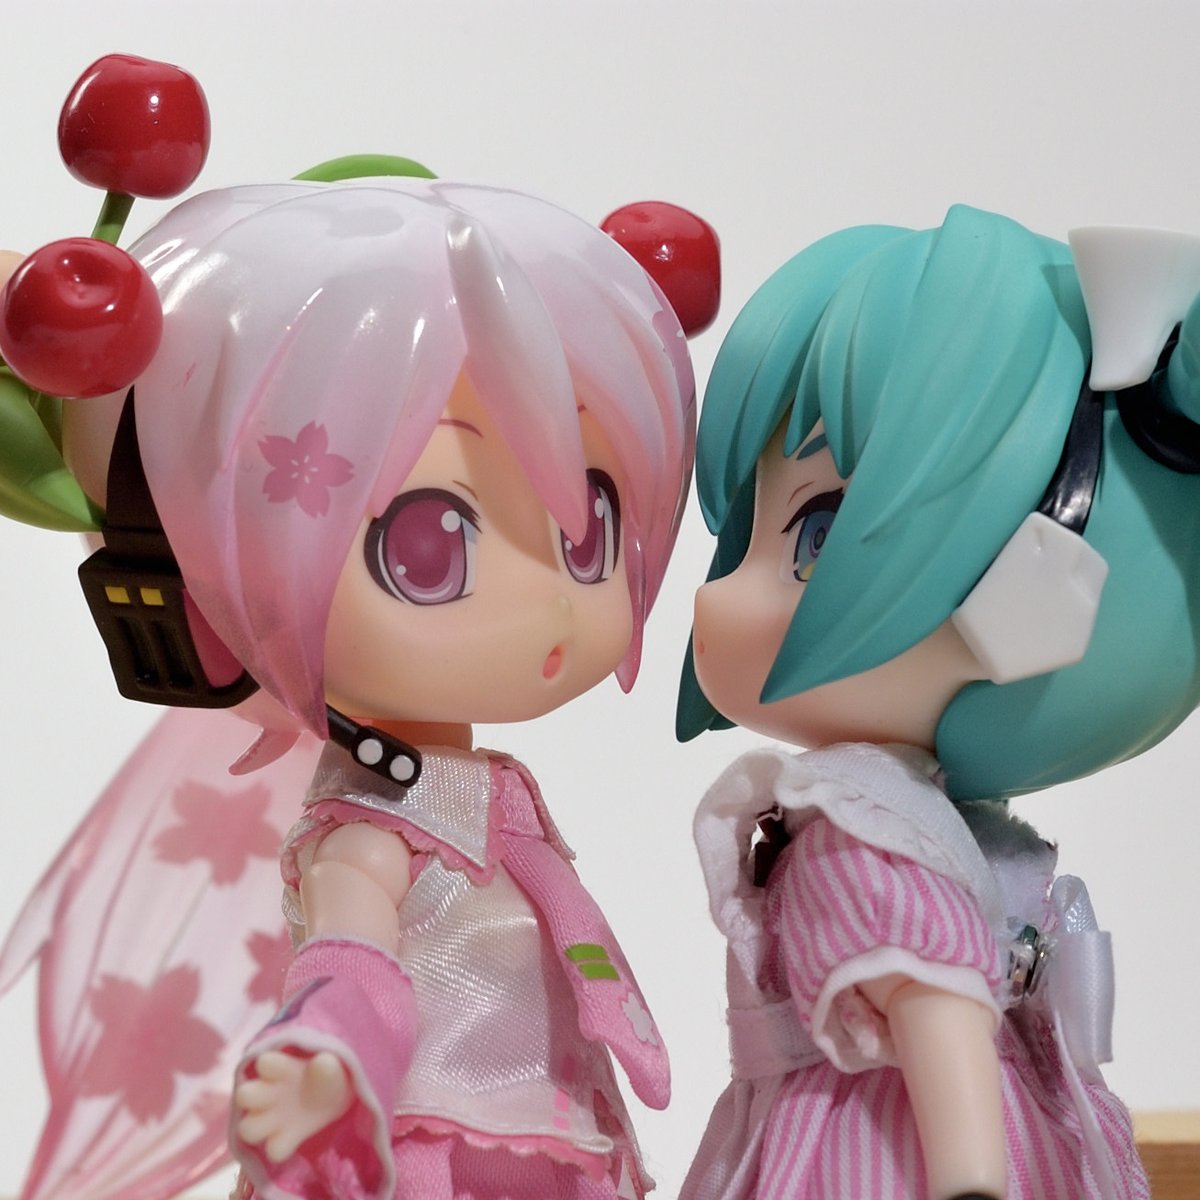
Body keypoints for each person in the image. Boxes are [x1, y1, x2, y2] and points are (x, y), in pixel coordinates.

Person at [1, 175, 713, 1200]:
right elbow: (348, 967)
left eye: (587, 526)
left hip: (557, 1137)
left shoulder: (490, 797)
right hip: (429, 1152)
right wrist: (324, 1064)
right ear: (206, 589)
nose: (552, 602)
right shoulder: (368, 833)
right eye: (429, 545)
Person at [673, 205, 1187, 1199]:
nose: (718, 597)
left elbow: (937, 1009)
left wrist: (968, 1181)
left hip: (887, 1152)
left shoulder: (865, 828)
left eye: (815, 535)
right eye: (742, 538)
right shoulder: (888, 818)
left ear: (1038, 571)